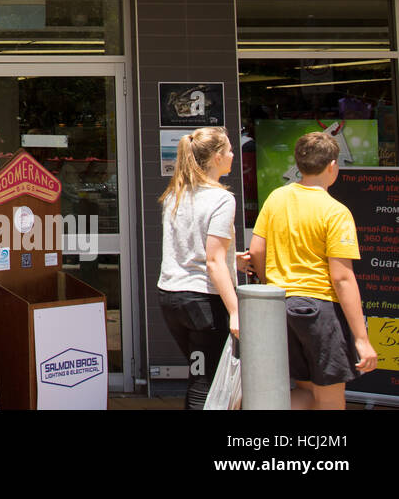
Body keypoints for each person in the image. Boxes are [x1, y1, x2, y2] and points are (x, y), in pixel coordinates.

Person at [248, 131, 377, 410]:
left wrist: (268, 279)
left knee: (306, 394)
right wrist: (362, 339)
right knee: (329, 399)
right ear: (332, 166)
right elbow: (342, 277)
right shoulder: (335, 211)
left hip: (280, 306)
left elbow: (257, 250)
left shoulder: (276, 198)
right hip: (320, 311)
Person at [155, 126, 240, 409]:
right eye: (228, 149)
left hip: (171, 296)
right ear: (216, 157)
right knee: (205, 383)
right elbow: (213, 262)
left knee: (201, 374)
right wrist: (236, 312)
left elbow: (188, 247)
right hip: (203, 302)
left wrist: (234, 259)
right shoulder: (222, 199)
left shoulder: (174, 194)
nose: (232, 154)